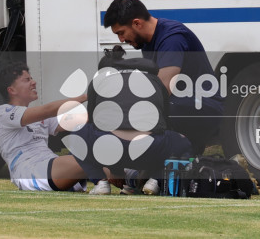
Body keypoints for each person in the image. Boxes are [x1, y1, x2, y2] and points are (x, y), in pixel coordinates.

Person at [103, 0, 223, 154]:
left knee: (153, 109)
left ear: (137, 23)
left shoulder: (171, 38)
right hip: (181, 103)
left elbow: (162, 88)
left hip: (204, 107)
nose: (121, 39)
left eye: (121, 32)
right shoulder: (147, 41)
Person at [72, 45, 193, 195]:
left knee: (76, 136)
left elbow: (92, 122)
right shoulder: (154, 79)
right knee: (183, 143)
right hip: (150, 148)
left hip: (109, 147)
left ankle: (101, 183)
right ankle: (155, 180)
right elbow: (165, 123)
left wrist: (115, 170)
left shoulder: (98, 80)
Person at [0, 61, 87, 192]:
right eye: (27, 80)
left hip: (51, 166)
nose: (33, 82)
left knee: (98, 145)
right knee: (91, 160)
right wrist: (84, 97)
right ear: (12, 90)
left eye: (31, 78)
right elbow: (47, 110)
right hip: (30, 172)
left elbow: (78, 120)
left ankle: (121, 179)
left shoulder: (36, 117)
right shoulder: (4, 112)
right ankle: (114, 178)